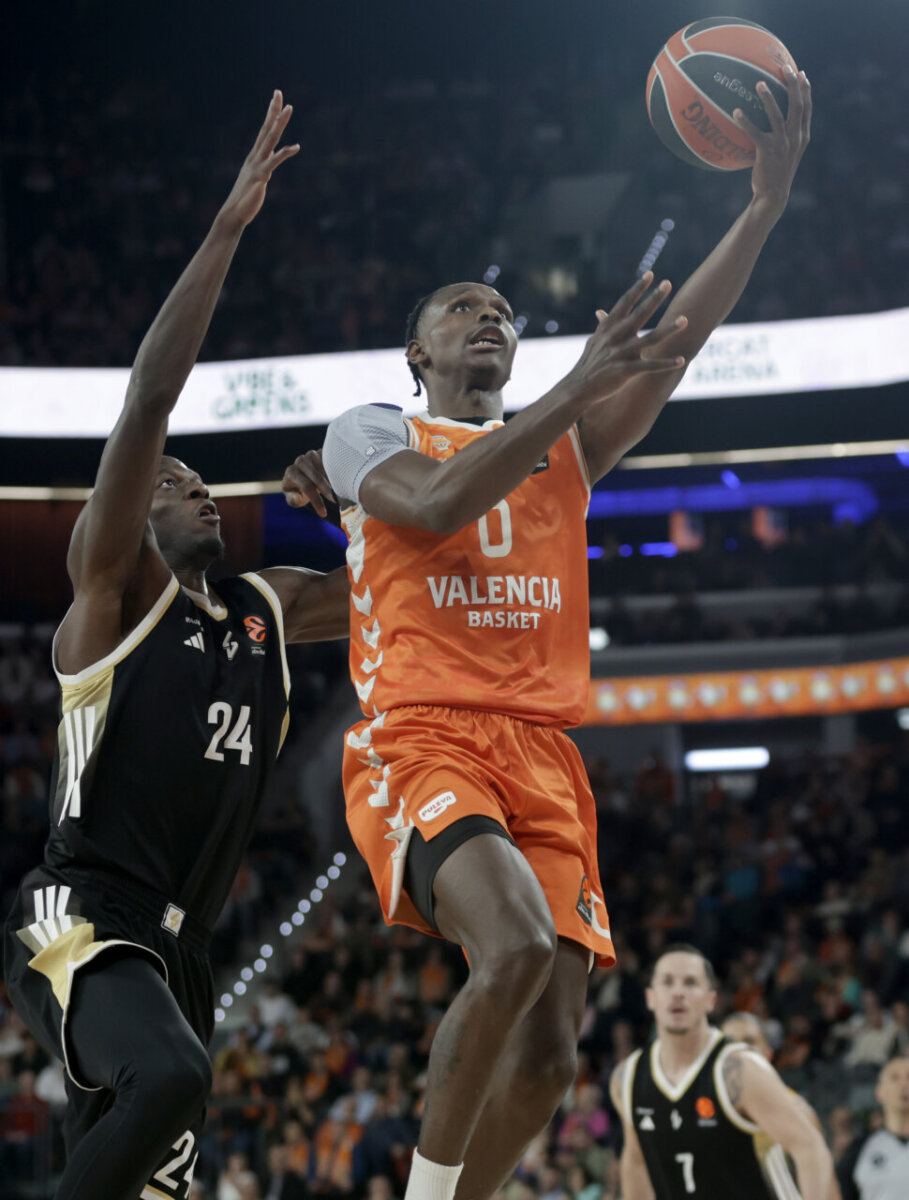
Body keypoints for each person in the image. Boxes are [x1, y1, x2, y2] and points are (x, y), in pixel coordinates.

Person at [284, 65, 812, 1200]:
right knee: (514, 945)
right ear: (418, 352)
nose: (491, 321)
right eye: (464, 310)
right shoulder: (370, 430)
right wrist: (572, 387)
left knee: (552, 1053)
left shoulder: (556, 447)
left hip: (543, 752)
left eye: (504, 315)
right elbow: (429, 510)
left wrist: (761, 206)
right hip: (420, 735)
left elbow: (674, 342)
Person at [2, 93, 346, 1200]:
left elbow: (401, 594)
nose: (194, 488)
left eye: (205, 483)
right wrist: (225, 232)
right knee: (169, 1081)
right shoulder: (111, 596)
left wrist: (367, 509)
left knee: (155, 1157)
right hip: (81, 916)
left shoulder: (264, 612)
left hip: (182, 949)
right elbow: (150, 395)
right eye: (170, 482)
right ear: (127, 513)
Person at [610, 945, 834, 1199]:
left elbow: (810, 1147)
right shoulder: (627, 1078)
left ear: (711, 1000)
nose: (678, 993)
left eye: (691, 983)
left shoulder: (741, 1070)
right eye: (668, 982)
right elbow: (637, 1161)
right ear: (650, 998)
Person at [722, 1011, 841, 1200]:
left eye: (749, 1042)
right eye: (729, 1043)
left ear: (768, 1053)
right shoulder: (701, 1108)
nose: (738, 1051)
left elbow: (829, 1190)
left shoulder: (798, 1111)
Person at [836, 1054, 909, 1200]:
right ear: (879, 1092)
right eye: (894, 1078)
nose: (904, 1085)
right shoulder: (858, 1150)